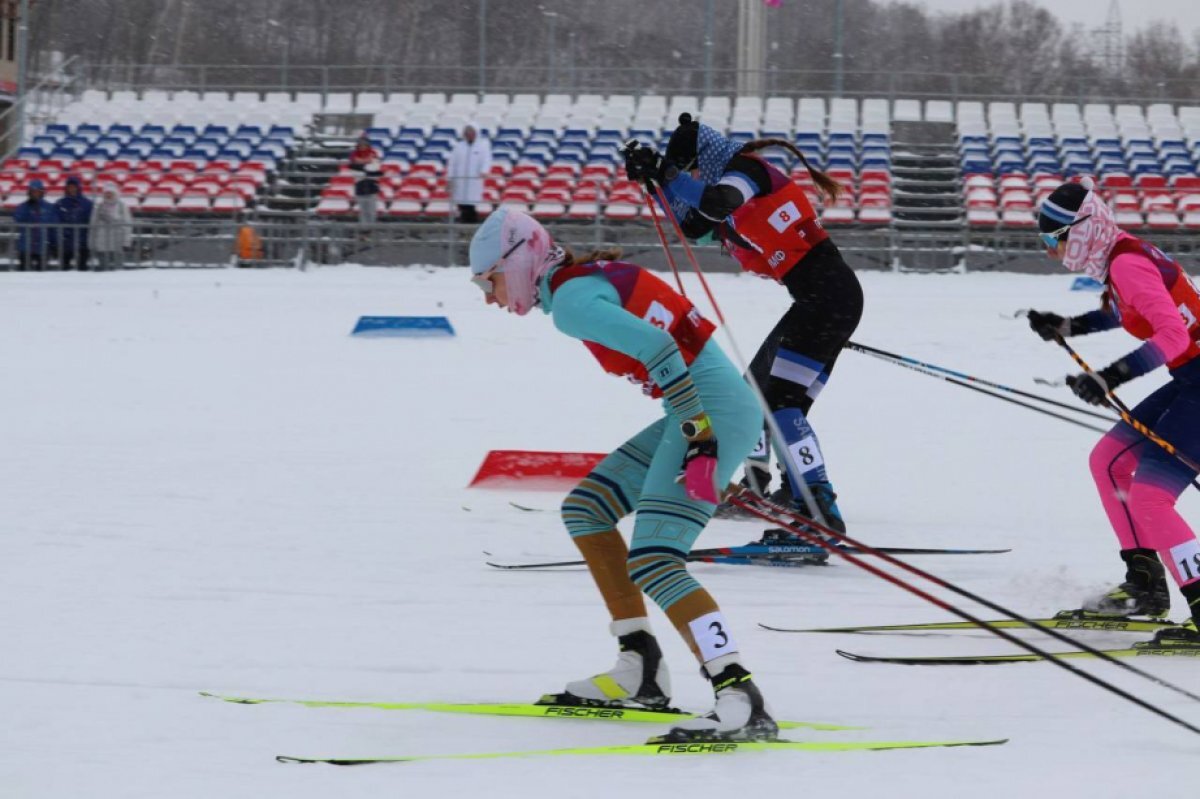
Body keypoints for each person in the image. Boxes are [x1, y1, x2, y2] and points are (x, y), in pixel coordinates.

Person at [468, 208, 778, 742]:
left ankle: (737, 690)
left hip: (709, 415)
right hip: (705, 411)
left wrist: (700, 432)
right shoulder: (578, 284)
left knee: (657, 560)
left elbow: (659, 348)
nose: (490, 298)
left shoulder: (571, 302)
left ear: (517, 262)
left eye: (488, 281)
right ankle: (641, 665)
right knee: (587, 511)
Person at [623, 114, 864, 538]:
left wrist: (669, 175)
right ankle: (769, 488)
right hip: (820, 300)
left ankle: (818, 510)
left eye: (693, 168)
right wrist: (658, 183)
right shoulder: (727, 193)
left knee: (781, 406)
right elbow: (694, 222)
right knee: (753, 393)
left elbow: (716, 201)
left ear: (707, 159)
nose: (692, 177)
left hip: (828, 299)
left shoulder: (748, 173)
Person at [1026, 177, 1200, 647]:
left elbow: (1173, 337)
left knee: (1150, 496)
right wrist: (1067, 326)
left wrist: (1110, 377)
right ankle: (1144, 586)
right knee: (1108, 460)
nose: (1049, 252)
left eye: (1051, 240)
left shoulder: (1127, 264)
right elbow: (1126, 312)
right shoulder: (1119, 258)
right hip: (1190, 381)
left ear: (1079, 231)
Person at [447, 124, 491, 224]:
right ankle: (464, 226)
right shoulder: (459, 146)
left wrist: (484, 171)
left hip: (474, 180)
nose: (469, 134)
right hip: (460, 180)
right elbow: (452, 163)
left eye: (471, 132)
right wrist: (450, 179)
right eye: (467, 132)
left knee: (471, 205)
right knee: (461, 204)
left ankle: (470, 227)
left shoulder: (483, 145)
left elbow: (486, 160)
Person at [12, 179, 58, 271]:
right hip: (26, 247)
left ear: (42, 192)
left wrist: (54, 244)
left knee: (42, 276)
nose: (35, 194)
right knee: (24, 275)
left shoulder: (49, 207)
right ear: (29, 192)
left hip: (43, 247)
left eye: (37, 191)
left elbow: (54, 227)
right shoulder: (23, 207)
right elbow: (18, 218)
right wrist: (29, 206)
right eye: (33, 191)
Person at [89, 186, 133, 271]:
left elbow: (127, 225)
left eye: (110, 193)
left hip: (117, 243)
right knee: (103, 270)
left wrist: (126, 242)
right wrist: (92, 243)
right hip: (102, 244)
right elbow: (93, 225)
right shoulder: (99, 206)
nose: (108, 195)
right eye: (106, 193)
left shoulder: (121, 206)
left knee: (118, 270)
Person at [55, 176, 94, 271]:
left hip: (82, 242)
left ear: (78, 187)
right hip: (66, 242)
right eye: (69, 187)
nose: (72, 189)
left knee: (82, 268)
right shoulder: (60, 203)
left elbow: (90, 221)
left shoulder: (87, 203)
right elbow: (56, 220)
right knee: (64, 269)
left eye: (74, 186)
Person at [355, 161, 382, 228]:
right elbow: (357, 175)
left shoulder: (374, 163)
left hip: (372, 190)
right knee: (363, 212)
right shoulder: (355, 164)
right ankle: (364, 230)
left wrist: (366, 174)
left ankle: (372, 228)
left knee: (372, 211)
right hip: (360, 190)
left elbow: (376, 175)